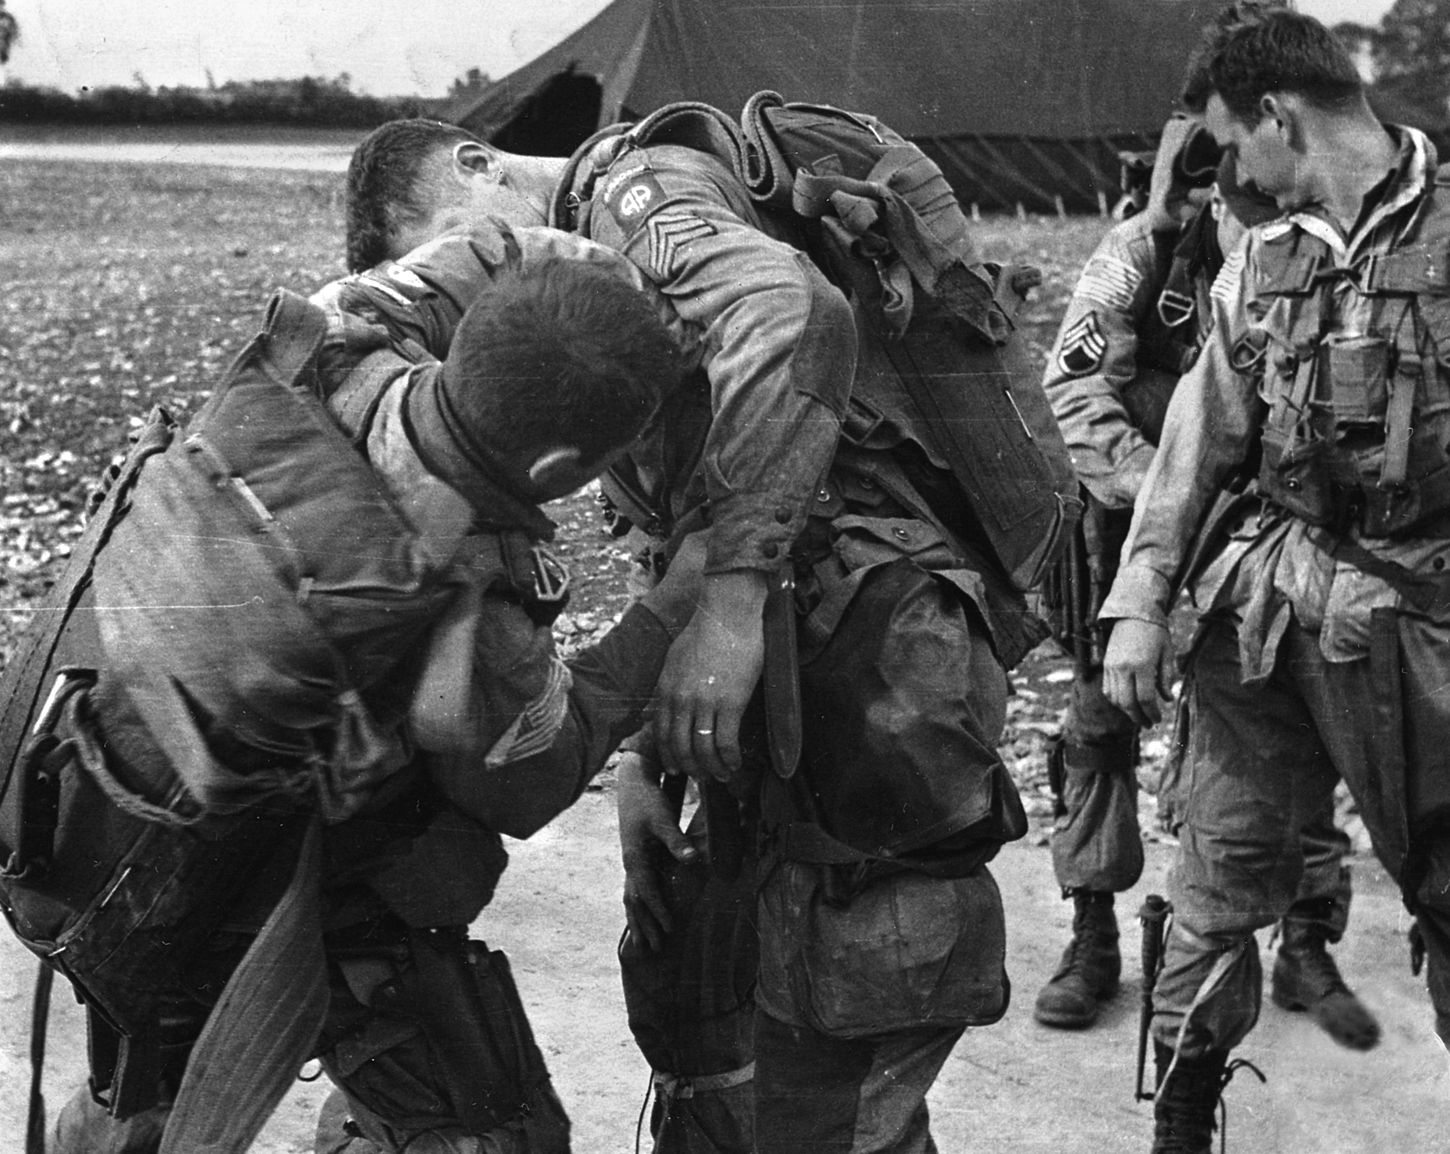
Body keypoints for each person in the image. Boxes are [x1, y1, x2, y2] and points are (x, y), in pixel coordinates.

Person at [341, 108, 1054, 1154]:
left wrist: (726, 603)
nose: (476, 284)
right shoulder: (595, 286)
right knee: (737, 1015)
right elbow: (678, 503)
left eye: (453, 242)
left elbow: (790, 306)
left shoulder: (635, 199)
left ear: (480, 165)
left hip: (870, 649)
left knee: (838, 1048)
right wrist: (645, 751)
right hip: (802, 645)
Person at [42, 233, 704, 1154]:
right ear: (559, 472)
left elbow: (465, 246)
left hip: (87, 794)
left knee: (139, 1100)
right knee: (494, 1132)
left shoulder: (338, 348)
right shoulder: (487, 609)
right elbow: (525, 785)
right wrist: (676, 607)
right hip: (253, 888)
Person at [1098, 5, 1450, 1150]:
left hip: (1421, 621)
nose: (1229, 173)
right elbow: (1197, 444)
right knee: (1214, 867)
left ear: (1277, 115)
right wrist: (1140, 605)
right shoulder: (1262, 259)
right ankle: (1183, 1113)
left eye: (1230, 142)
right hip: (1268, 604)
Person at [1035, 114, 1377, 1048]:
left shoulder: (1321, 259)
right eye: (1216, 196)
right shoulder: (1130, 259)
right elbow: (1069, 387)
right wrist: (1166, 499)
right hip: (1132, 532)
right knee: (1099, 727)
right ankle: (1093, 932)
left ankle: (1307, 933)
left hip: (1270, 552)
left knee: (1297, 731)